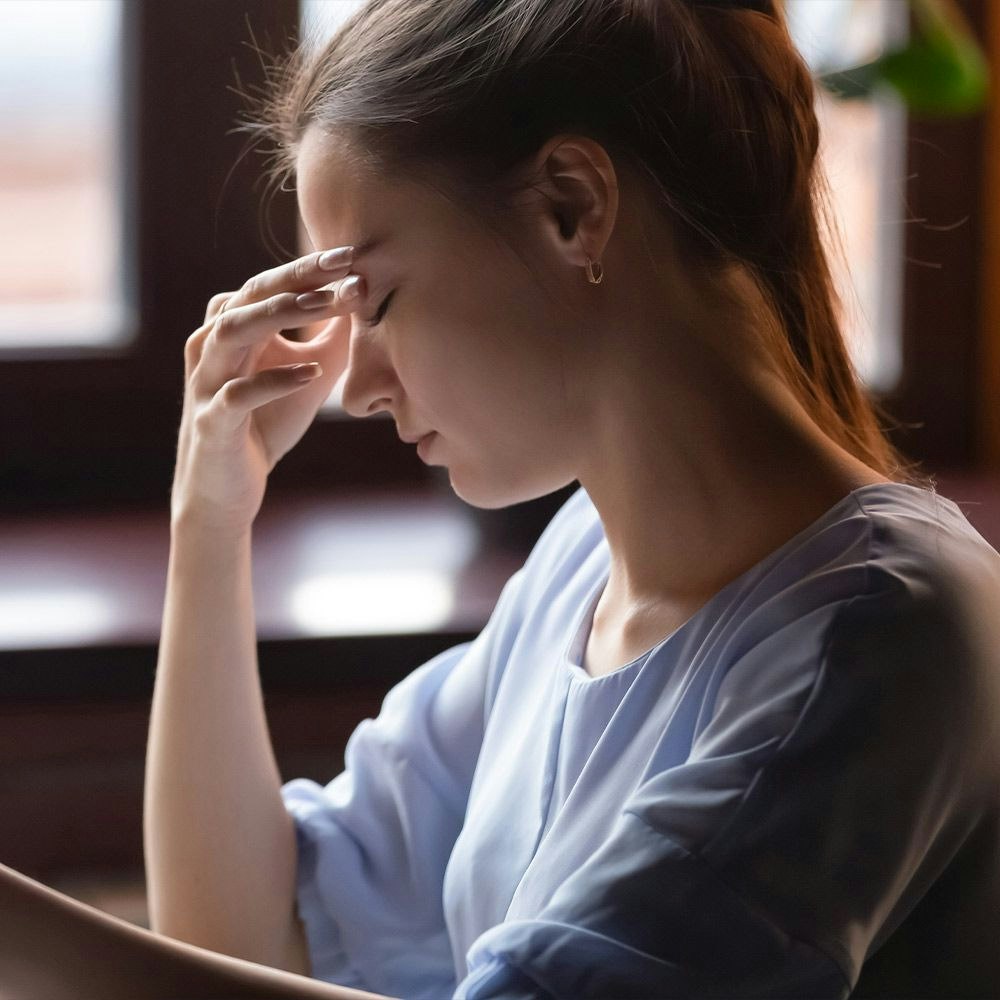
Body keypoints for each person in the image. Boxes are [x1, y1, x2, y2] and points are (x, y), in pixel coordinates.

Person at [3, 0, 999, 998]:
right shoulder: (583, 570)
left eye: (379, 303)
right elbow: (245, 938)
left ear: (571, 206)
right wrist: (208, 514)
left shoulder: (877, 636)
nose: (354, 388)